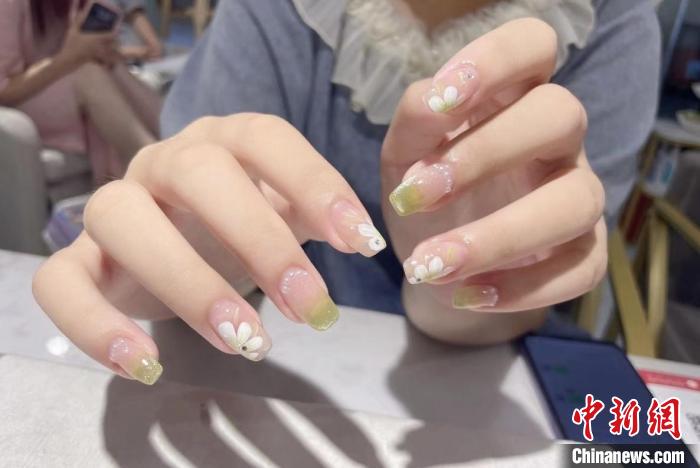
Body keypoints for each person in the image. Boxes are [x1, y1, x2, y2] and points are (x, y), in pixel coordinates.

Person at [32, 0, 660, 385]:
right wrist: (170, 264)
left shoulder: (609, 22)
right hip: (289, 376)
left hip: (491, 393)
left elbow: (524, 288)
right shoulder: (279, 12)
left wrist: (465, 272)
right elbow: (194, 209)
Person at [0, 0, 161, 183]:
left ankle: (168, 151)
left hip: (65, 83)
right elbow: (4, 90)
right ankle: (151, 165)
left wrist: (104, 51)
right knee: (88, 73)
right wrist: (69, 57)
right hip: (21, 101)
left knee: (110, 70)